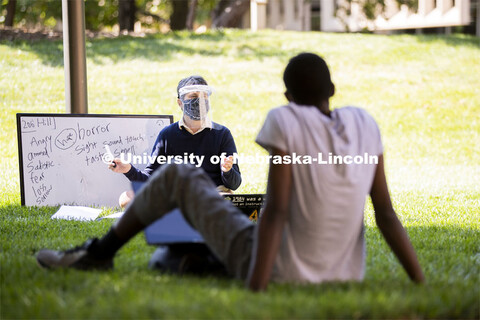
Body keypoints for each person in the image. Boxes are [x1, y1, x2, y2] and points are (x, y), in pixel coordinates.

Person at [36, 53, 425, 290]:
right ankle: (190, 259)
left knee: (175, 179)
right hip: (343, 274)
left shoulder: (285, 121)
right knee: (177, 232)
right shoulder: (366, 124)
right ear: (333, 89)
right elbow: (386, 213)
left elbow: (275, 211)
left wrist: (256, 287)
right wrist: (419, 282)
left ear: (288, 97)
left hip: (277, 266)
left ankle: (100, 253)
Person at [110, 75, 241, 207]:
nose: (200, 101)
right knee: (125, 199)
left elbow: (234, 184)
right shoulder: (168, 134)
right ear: (180, 103)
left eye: (204, 97)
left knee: (225, 199)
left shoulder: (222, 133)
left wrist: (227, 170)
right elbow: (150, 178)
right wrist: (128, 169)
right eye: (193, 96)